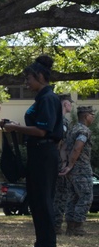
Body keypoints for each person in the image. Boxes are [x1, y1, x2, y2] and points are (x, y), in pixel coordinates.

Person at [1, 55, 64, 247]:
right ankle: (40, 246)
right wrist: (16, 125)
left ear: (39, 77)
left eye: (28, 79)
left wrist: (16, 127)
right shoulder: (41, 98)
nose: (26, 83)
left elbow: (43, 130)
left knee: (44, 200)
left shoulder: (48, 98)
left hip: (45, 154)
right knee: (36, 201)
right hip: (38, 154)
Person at [57, 105, 95, 236]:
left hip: (71, 171)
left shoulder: (72, 129)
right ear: (86, 116)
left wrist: (64, 163)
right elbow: (77, 148)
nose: (93, 117)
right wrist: (71, 164)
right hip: (81, 169)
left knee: (73, 197)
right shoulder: (83, 131)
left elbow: (63, 148)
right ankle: (77, 227)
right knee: (86, 196)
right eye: (92, 115)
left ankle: (70, 228)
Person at [53, 95, 75, 232]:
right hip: (58, 162)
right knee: (61, 195)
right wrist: (65, 163)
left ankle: (53, 223)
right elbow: (61, 144)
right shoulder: (63, 122)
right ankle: (56, 225)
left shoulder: (52, 118)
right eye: (70, 104)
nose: (71, 107)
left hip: (49, 160)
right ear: (65, 104)